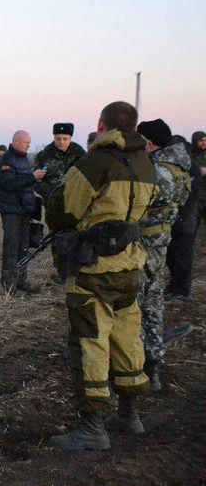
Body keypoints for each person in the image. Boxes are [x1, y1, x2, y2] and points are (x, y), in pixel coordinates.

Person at [46, 101, 156, 451]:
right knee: (127, 337)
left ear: (101, 124)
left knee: (89, 341)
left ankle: (92, 427)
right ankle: (129, 414)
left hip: (94, 268)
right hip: (130, 264)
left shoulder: (96, 161)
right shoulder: (146, 163)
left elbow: (63, 209)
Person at [134, 120, 191, 392]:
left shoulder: (157, 173)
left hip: (144, 245)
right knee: (154, 304)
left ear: (150, 142)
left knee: (137, 306)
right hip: (160, 243)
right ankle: (154, 366)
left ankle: (136, 367)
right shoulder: (179, 169)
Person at [0, 130, 42, 294]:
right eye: (25, 142)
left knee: (24, 246)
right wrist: (32, 178)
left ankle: (21, 281)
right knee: (11, 247)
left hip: (25, 210)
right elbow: (9, 184)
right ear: (15, 141)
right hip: (11, 211)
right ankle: (9, 285)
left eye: (29, 143)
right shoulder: (5, 161)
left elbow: (25, 184)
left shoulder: (25, 160)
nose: (28, 145)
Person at [166, 131, 206, 297]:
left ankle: (181, 289)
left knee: (183, 255)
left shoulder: (190, 166)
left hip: (185, 218)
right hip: (177, 218)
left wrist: (183, 213)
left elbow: (193, 194)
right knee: (173, 255)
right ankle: (175, 285)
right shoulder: (180, 165)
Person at [33, 123, 86, 202]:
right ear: (54, 138)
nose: (61, 142)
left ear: (70, 138)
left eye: (65, 139)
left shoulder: (80, 155)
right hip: (52, 202)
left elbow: (87, 178)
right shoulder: (43, 156)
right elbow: (35, 180)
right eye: (58, 139)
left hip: (75, 201)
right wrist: (52, 195)